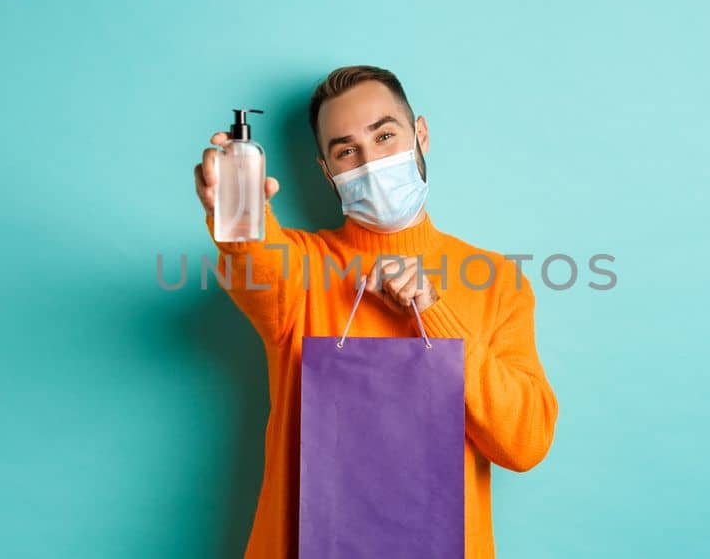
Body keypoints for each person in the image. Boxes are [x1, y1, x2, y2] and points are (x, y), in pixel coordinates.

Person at [191, 65, 559, 558]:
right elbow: (255, 257)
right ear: (327, 170)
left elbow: (525, 443)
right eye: (347, 151)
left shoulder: (496, 280)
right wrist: (234, 215)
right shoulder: (301, 268)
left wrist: (435, 312)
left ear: (420, 135)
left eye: (385, 135)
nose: (372, 161)